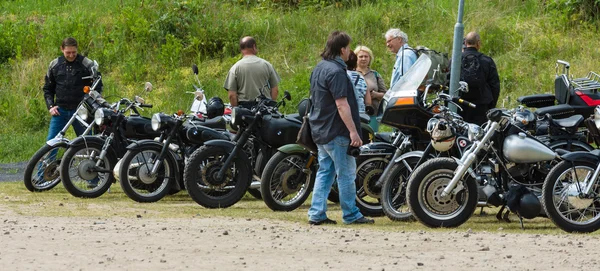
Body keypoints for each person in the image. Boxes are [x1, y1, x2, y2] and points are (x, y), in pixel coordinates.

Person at [307, 30, 374, 225]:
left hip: (320, 128)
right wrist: (353, 131)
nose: (350, 52)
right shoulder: (337, 72)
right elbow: (341, 104)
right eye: (349, 48)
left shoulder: (320, 68)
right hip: (337, 130)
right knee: (346, 174)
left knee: (325, 172)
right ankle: (351, 214)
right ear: (342, 49)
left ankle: (316, 213)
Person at [43, 37, 101, 142]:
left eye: (73, 52)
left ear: (77, 49)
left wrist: (89, 106)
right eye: (68, 52)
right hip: (60, 111)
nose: (71, 55)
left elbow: (98, 87)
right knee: (52, 141)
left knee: (87, 142)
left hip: (81, 111)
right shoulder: (54, 65)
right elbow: (48, 88)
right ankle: (49, 159)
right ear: (62, 49)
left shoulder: (87, 64)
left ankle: (89, 159)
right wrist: (51, 106)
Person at [224, 36, 280, 108]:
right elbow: (275, 90)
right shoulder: (267, 65)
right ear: (254, 46)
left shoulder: (235, 68)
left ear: (241, 49)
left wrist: (236, 111)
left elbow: (232, 95)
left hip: (244, 109)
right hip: (265, 107)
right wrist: (270, 107)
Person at [459, 32, 500, 125]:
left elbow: (448, 82)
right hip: (481, 106)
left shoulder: (455, 60)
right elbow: (495, 85)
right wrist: (491, 106)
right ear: (478, 43)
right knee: (481, 134)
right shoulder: (487, 60)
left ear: (465, 43)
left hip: (460, 105)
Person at [354, 45, 387, 131]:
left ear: (370, 58)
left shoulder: (375, 75)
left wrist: (376, 95)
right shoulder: (351, 73)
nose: (364, 59)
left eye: (366, 56)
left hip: (373, 114)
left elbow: (386, 94)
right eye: (361, 56)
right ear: (355, 58)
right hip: (355, 113)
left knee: (372, 137)